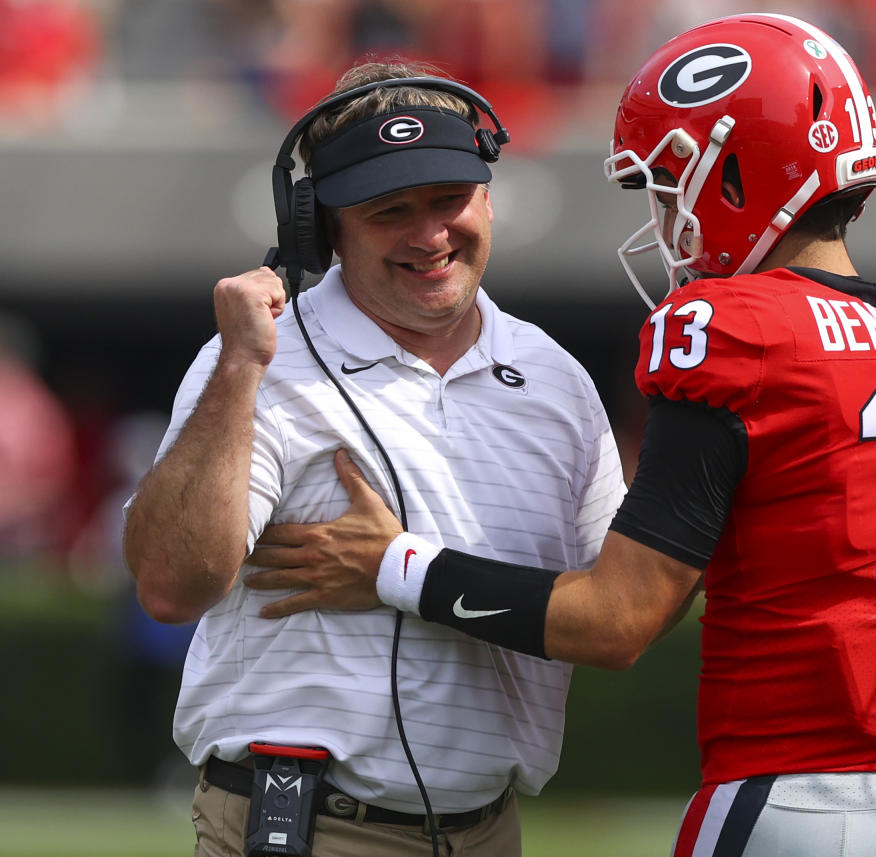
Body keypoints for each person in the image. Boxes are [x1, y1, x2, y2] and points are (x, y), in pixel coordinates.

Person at [244, 15, 876, 857]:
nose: (663, 214)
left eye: (669, 182)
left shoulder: (733, 330)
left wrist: (395, 564)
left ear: (735, 170)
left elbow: (619, 618)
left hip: (801, 795)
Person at [121, 59, 626, 857]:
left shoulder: (556, 379)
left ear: (489, 199)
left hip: (490, 830)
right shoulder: (254, 363)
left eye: (449, 200)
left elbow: (617, 616)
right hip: (302, 828)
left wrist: (403, 570)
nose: (431, 235)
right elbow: (170, 585)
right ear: (320, 228)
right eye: (391, 210)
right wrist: (240, 368)